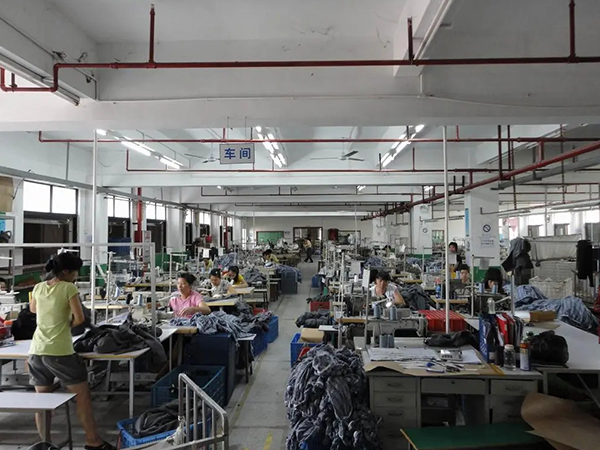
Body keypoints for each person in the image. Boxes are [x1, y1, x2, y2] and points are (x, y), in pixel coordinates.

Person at [29, 253, 115, 450]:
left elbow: (34, 309)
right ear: (67, 272)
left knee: (43, 403)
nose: (76, 276)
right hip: (60, 352)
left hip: (37, 351)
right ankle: (93, 441)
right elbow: (79, 319)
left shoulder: (39, 287)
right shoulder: (69, 288)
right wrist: (66, 324)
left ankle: (46, 444)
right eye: (76, 272)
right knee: (82, 397)